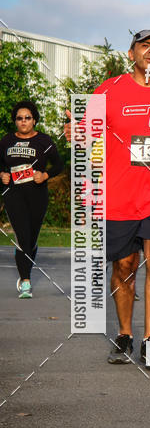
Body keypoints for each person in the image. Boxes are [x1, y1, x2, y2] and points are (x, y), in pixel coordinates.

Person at [64, 29, 150, 367]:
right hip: (118, 194)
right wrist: (76, 135)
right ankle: (125, 333)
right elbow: (85, 135)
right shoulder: (107, 90)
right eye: (145, 46)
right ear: (131, 54)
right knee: (124, 266)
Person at [0, 100, 63, 298]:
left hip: (37, 195)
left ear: (34, 120)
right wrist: (2, 174)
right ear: (15, 121)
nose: (24, 122)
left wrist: (45, 175)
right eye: (19, 119)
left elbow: (59, 165)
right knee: (22, 236)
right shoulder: (7, 141)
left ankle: (28, 260)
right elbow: (0, 164)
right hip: (14, 194)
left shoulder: (44, 141)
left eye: (27, 118)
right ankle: (25, 281)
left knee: (32, 238)